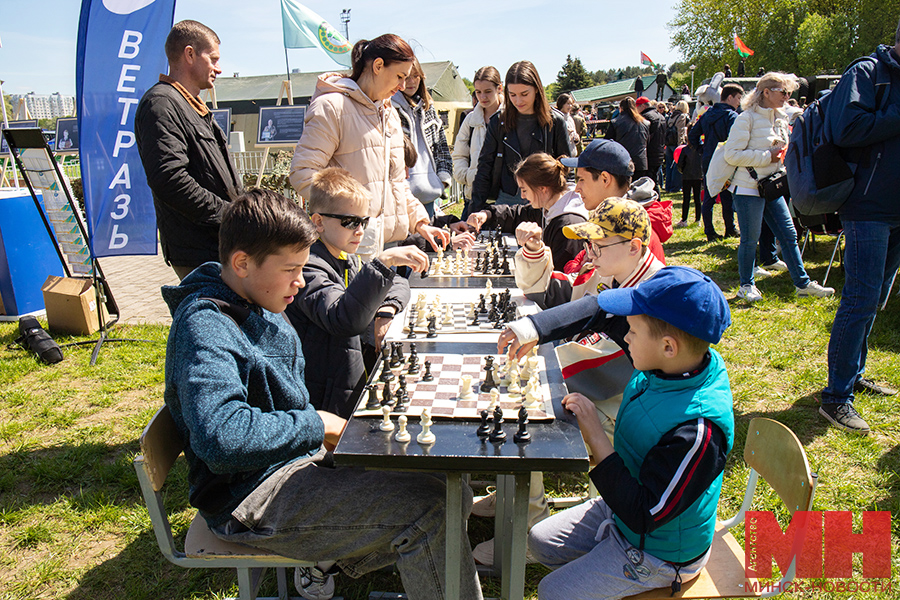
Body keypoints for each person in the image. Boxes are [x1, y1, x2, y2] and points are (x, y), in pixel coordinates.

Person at [162, 188, 483, 600]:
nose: (301, 280)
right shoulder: (205, 327)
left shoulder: (257, 297)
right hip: (249, 498)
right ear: (242, 263)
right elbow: (221, 437)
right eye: (291, 269)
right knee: (430, 511)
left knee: (448, 482)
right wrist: (317, 423)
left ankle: (385, 564)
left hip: (293, 464)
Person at [527, 266, 734, 600]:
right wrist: (533, 329)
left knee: (552, 592)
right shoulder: (674, 361)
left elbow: (644, 514)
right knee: (540, 541)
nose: (624, 336)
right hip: (623, 511)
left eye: (633, 332)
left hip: (660, 552)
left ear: (668, 346)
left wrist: (596, 435)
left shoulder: (698, 431)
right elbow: (601, 313)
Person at [290, 34, 449, 261]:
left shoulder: (389, 113)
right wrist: (352, 221)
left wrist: (421, 223)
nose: (403, 86)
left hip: (388, 244)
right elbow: (303, 174)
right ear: (378, 66)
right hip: (347, 248)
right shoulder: (332, 107)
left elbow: (396, 183)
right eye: (399, 76)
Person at [285, 168, 429, 419]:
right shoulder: (308, 266)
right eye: (350, 222)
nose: (360, 230)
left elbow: (397, 284)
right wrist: (382, 263)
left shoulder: (347, 257)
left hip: (346, 378)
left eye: (364, 221)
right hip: (321, 395)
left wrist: (386, 309)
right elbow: (343, 319)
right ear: (318, 222)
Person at [820, 24, 900, 435]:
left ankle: (852, 375)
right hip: (868, 205)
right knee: (860, 298)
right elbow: (845, 128)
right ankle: (836, 398)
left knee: (875, 299)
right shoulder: (867, 72)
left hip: (895, 207)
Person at [135, 20, 243, 280]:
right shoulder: (161, 104)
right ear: (190, 54)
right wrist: (230, 215)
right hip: (198, 252)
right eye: (213, 59)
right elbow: (169, 179)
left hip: (220, 245)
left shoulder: (190, 104)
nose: (219, 68)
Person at [513, 139, 666, 309]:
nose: (576, 188)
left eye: (582, 180)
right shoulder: (609, 225)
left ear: (605, 179)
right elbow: (578, 287)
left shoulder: (633, 233)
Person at [723, 72, 834, 303]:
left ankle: (802, 284)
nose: (787, 96)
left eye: (790, 93)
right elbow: (731, 155)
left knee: (789, 234)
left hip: (772, 186)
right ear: (766, 92)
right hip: (748, 188)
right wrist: (768, 156)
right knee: (750, 239)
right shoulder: (746, 119)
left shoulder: (781, 117)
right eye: (783, 92)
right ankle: (746, 285)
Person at [469, 61, 574, 212]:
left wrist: (565, 208)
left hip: (544, 199)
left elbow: (566, 168)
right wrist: (475, 210)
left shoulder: (555, 122)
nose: (518, 101)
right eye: (512, 95)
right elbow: (484, 167)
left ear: (537, 90)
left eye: (524, 94)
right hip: (507, 198)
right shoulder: (498, 122)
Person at [466, 152, 588, 270]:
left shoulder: (568, 224)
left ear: (542, 189)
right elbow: (517, 214)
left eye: (524, 190)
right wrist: (487, 215)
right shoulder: (549, 206)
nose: (523, 196)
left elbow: (562, 277)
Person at [392, 57, 452, 219]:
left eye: (416, 76)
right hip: (401, 196)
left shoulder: (428, 107)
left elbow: (442, 148)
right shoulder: (389, 108)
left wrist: (443, 180)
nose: (411, 82)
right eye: (406, 77)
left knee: (428, 241)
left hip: (429, 193)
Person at [688, 83, 742, 241]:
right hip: (725, 159)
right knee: (727, 195)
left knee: (709, 195)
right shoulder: (732, 116)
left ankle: (709, 231)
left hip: (708, 158)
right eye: (738, 98)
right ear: (730, 97)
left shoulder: (707, 114)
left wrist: (701, 149)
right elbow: (736, 139)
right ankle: (730, 228)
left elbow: (692, 134)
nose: (740, 101)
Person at [452, 66, 503, 219]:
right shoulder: (470, 119)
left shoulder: (511, 117)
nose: (483, 97)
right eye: (478, 92)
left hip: (503, 199)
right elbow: (459, 154)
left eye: (488, 91)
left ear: (499, 88)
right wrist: (469, 176)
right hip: (474, 196)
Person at [605, 97, 649, 180]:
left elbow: (608, 143)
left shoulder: (616, 122)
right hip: (641, 162)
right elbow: (647, 141)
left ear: (621, 108)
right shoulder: (645, 123)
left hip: (622, 161)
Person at [636, 97, 666, 191]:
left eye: (637, 107)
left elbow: (643, 136)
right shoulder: (661, 116)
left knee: (648, 182)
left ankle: (653, 202)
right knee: (655, 180)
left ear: (643, 106)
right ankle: (658, 202)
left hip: (649, 152)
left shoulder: (645, 117)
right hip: (660, 151)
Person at [676, 124, 703, 227]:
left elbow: (680, 164)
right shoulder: (701, 149)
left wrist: (683, 171)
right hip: (698, 175)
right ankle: (698, 220)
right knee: (697, 199)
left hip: (687, 176)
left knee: (686, 198)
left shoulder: (685, 149)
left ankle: (684, 219)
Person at [664, 100, 689, 193]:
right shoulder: (681, 116)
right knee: (677, 166)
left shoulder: (671, 115)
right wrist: (681, 145)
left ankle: (668, 186)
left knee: (669, 166)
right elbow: (680, 131)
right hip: (676, 144)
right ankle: (675, 187)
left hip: (669, 143)